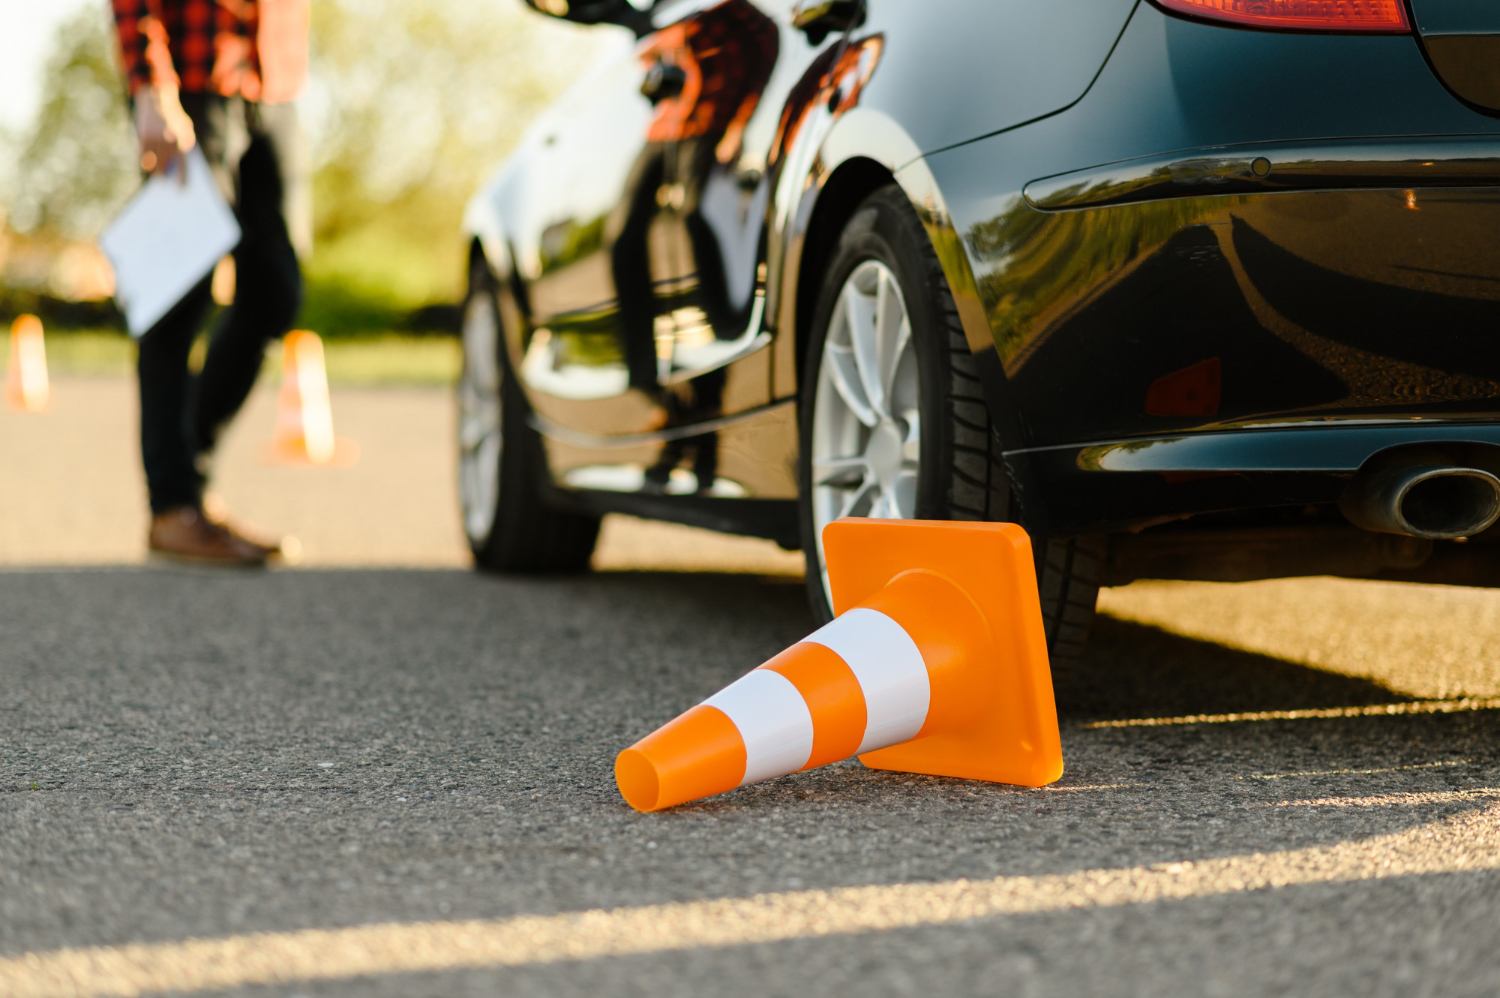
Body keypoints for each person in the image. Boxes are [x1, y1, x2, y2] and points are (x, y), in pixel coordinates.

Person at [111, 0, 310, 566]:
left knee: (274, 293)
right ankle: (173, 508)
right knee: (178, 297)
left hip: (274, 86)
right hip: (193, 82)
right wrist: (151, 86)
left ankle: (189, 476)